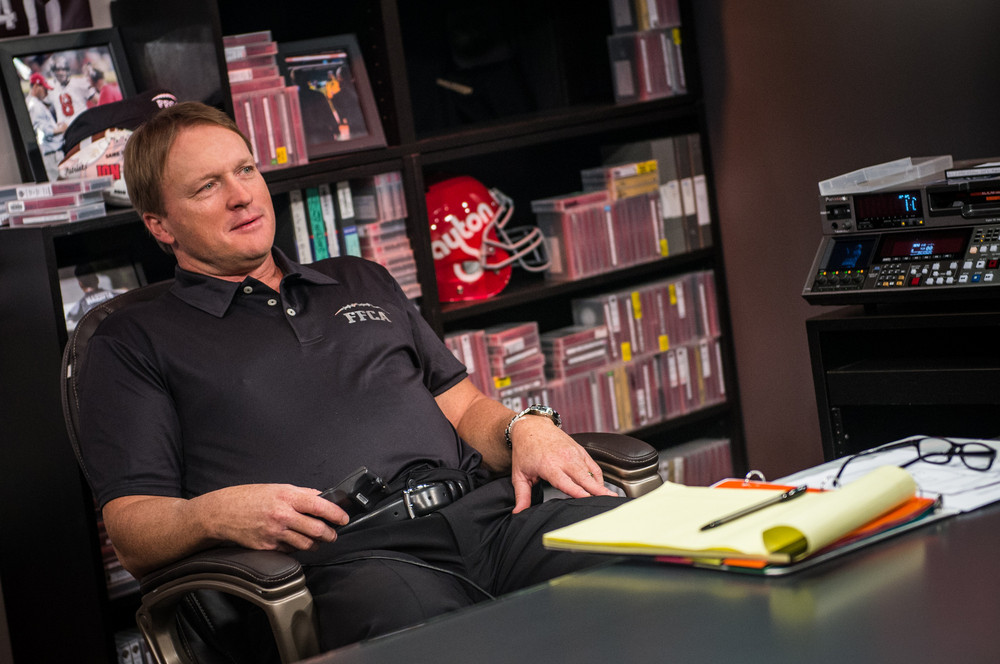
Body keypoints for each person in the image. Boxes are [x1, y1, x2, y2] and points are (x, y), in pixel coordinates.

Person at [76, 101, 623, 652]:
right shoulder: (133, 340)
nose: (241, 194)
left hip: (492, 518)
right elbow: (132, 532)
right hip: (357, 559)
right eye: (206, 187)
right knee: (434, 635)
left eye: (245, 170)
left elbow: (465, 409)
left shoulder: (359, 278)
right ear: (159, 225)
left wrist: (523, 428)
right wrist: (214, 514)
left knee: (644, 549)